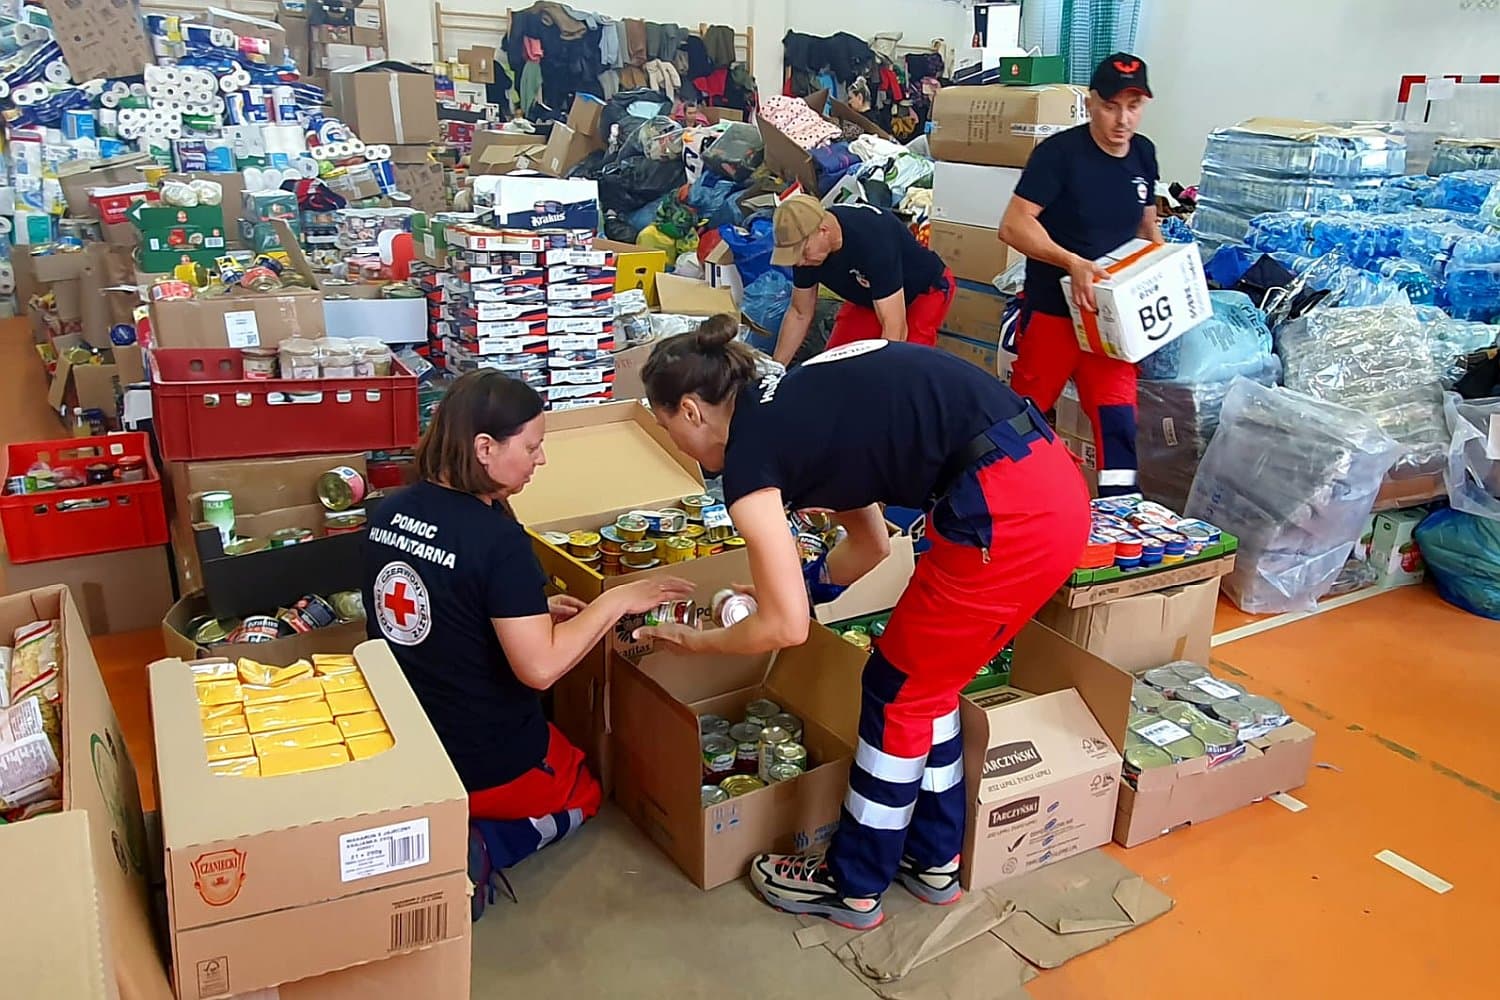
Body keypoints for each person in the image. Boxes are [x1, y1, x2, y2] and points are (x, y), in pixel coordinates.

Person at [635, 317, 1091, 929]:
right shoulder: (790, 400)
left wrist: (699, 643)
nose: (676, 445)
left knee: (897, 691)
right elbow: (870, 546)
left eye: (667, 428)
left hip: (1007, 516)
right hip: (1037, 484)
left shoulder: (751, 458)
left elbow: (785, 630)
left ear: (691, 411)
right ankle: (933, 859)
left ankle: (853, 884)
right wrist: (801, 588)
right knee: (925, 684)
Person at [361, 370, 691, 917]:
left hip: (407, 744)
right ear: (484, 449)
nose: (541, 460)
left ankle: (433, 822)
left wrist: (528, 613)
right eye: (533, 447)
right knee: (584, 786)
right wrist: (615, 601)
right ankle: (484, 844)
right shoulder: (498, 539)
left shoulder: (388, 512)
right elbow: (539, 669)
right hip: (479, 760)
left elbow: (441, 608)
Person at [998, 52, 1162, 497]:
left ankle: (1121, 510)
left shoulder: (1143, 154)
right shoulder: (1059, 155)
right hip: (1055, 313)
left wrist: (1166, 275)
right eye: (1110, 106)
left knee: (1118, 422)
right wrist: (1071, 261)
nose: (1122, 119)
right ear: (1090, 103)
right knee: (1024, 418)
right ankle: (1004, 500)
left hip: (1109, 323)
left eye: (1133, 107)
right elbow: (1013, 225)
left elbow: (1147, 228)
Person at [769, 194, 955, 367]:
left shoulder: (872, 239)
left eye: (803, 253)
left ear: (823, 231)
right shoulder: (806, 254)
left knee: (905, 367)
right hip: (870, 294)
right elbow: (799, 313)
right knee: (834, 365)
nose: (800, 263)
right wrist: (775, 370)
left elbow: (895, 329)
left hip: (922, 291)